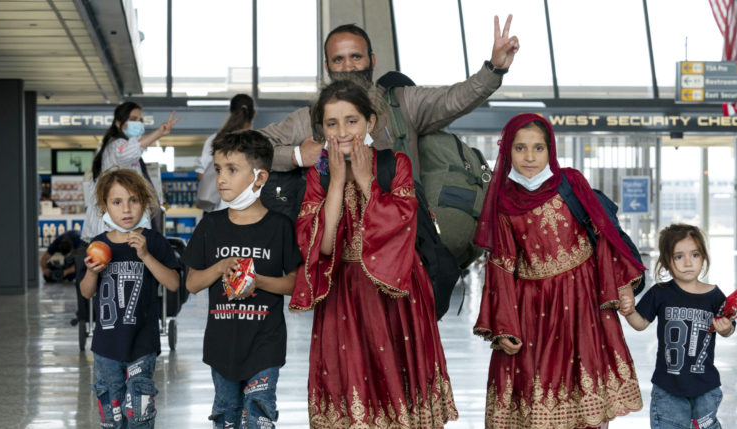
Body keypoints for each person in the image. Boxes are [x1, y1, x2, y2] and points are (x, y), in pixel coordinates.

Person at [290, 79, 458, 427]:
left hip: (396, 295)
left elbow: (398, 228)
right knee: (353, 396)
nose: (342, 131)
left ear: (369, 121)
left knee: (399, 390)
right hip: (345, 299)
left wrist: (366, 179)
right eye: (332, 123)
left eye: (351, 121)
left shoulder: (395, 164)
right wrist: (336, 182)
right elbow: (320, 245)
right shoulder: (318, 177)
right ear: (321, 128)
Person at [472, 113, 646, 428]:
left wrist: (620, 284)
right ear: (507, 151)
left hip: (584, 304)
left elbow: (604, 234)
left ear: (550, 150)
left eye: (538, 148)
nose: (529, 157)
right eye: (520, 148)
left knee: (586, 389)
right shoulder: (503, 201)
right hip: (532, 311)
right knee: (535, 387)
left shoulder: (571, 182)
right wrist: (503, 326)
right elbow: (501, 266)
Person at [260, 17, 519, 172]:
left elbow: (456, 97)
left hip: (400, 244)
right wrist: (296, 156)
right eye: (338, 59)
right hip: (333, 248)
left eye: (356, 57)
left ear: (372, 60)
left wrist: (494, 68)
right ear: (327, 67)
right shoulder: (308, 118)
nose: (348, 66)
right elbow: (249, 148)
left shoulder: (403, 103)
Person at [184, 130, 302, 429]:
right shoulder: (210, 226)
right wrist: (220, 267)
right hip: (222, 346)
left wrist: (257, 282)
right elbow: (192, 283)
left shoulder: (280, 227)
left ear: (260, 178)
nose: (221, 178)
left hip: (265, 344)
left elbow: (295, 284)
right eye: (219, 169)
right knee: (226, 417)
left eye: (232, 170)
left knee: (258, 418)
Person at [80, 169, 180, 428]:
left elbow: (173, 283)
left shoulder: (153, 242)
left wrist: (146, 255)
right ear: (104, 207)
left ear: (144, 203)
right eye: (117, 202)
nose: (126, 209)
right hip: (106, 349)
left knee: (140, 415)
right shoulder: (97, 245)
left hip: (142, 346)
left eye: (133, 200)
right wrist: (92, 273)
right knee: (112, 419)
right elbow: (86, 292)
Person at [622, 224, 735, 429]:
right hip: (668, 388)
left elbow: (729, 327)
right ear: (667, 261)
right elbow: (641, 323)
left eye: (695, 254)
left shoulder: (715, 295)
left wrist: (725, 328)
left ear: (704, 257)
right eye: (678, 257)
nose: (688, 262)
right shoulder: (661, 292)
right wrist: (629, 312)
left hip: (706, 387)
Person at [82, 101, 180, 242]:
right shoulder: (116, 145)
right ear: (118, 123)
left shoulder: (118, 146)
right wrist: (159, 132)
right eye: (133, 119)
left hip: (121, 223)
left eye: (140, 120)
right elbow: (130, 151)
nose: (138, 123)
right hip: (115, 225)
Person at [194, 94, 256, 212]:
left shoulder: (214, 140)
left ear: (231, 111)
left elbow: (200, 175)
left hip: (221, 208)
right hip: (252, 209)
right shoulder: (259, 141)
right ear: (254, 113)